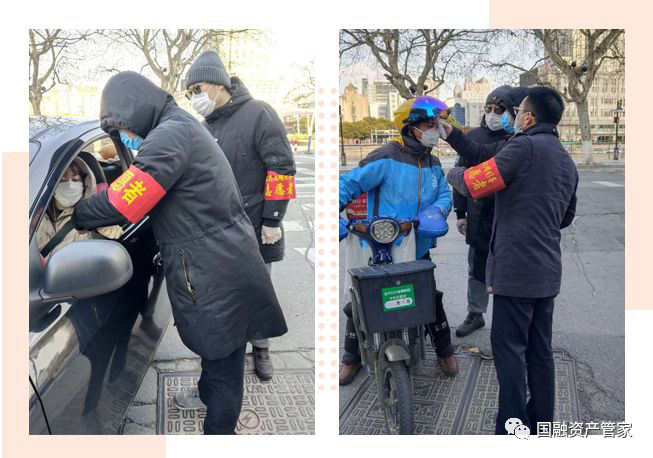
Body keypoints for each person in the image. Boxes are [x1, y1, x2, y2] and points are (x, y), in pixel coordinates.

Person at [71, 71, 288, 435]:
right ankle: (205, 394)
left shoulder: (170, 136)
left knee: (225, 367)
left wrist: (77, 213)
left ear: (133, 108)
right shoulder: (178, 127)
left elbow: (125, 201)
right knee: (219, 351)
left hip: (215, 269)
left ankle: (219, 434)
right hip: (220, 258)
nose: (125, 135)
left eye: (121, 126)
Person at [445, 86, 578, 434]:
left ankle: (512, 429)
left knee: (509, 353)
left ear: (528, 117)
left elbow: (475, 183)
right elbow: (565, 217)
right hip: (547, 272)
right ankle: (542, 425)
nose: (514, 117)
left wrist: (451, 173)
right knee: (540, 352)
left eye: (517, 112)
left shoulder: (523, 147)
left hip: (515, 272)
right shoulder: (566, 160)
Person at [184, 51, 296, 380]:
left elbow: (281, 168)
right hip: (215, 227)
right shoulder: (203, 127)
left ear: (218, 84)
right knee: (224, 294)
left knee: (257, 288)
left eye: (197, 89)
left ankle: (260, 347)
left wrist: (273, 219)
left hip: (256, 220)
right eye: (189, 93)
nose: (195, 97)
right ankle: (230, 349)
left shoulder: (259, 113)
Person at [338, 95, 457, 386]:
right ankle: (351, 357)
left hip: (417, 244)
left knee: (428, 295)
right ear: (410, 126)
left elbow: (445, 193)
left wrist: (437, 210)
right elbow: (347, 185)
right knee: (360, 299)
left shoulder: (432, 162)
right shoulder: (386, 157)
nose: (435, 131)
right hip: (377, 245)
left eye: (436, 125)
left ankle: (444, 350)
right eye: (429, 125)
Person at [451, 86, 527, 337]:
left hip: (508, 216)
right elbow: (461, 175)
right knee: (477, 267)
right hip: (479, 212)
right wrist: (460, 214)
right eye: (489, 109)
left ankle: (510, 321)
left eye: (499, 110)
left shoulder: (518, 140)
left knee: (509, 271)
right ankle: (475, 312)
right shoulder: (473, 137)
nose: (493, 114)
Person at [36, 157, 122, 258]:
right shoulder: (35, 211)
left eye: (75, 179)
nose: (70, 185)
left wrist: (105, 228)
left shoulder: (90, 215)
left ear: (84, 184)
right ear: (52, 185)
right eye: (62, 180)